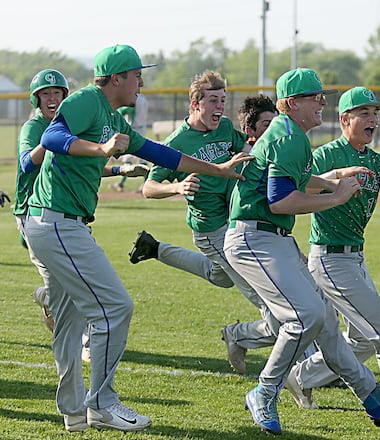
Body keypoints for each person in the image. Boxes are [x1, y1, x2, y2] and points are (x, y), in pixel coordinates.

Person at [23, 44, 250, 433]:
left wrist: (219, 169)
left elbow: (164, 154)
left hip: (58, 223)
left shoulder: (114, 117)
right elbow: (55, 137)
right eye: (136, 75)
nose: (141, 81)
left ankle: (75, 411)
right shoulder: (87, 100)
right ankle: (103, 404)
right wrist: (101, 148)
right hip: (57, 223)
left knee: (68, 322)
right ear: (116, 78)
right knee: (115, 307)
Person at [223, 68, 380, 435]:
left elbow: (294, 180)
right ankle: (265, 392)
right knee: (306, 316)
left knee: (327, 324)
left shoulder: (289, 133)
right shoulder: (287, 135)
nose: (322, 103)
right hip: (255, 239)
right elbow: (280, 200)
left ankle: (373, 399)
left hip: (272, 237)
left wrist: (331, 179)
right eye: (315, 97)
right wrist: (336, 195)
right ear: (291, 103)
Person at [283, 86, 380, 423]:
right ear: (344, 119)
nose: (373, 118)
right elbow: (300, 185)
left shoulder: (377, 161)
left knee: (362, 341)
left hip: (355, 258)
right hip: (329, 259)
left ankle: (302, 376)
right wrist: (334, 181)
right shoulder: (326, 155)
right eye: (364, 113)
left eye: (375, 112)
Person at [128, 73, 280, 376]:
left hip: (235, 221)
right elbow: (148, 188)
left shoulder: (224, 128)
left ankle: (155, 249)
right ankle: (251, 339)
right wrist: (177, 187)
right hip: (212, 230)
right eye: (213, 100)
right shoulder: (177, 142)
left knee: (219, 276)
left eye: (223, 100)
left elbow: (248, 151)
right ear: (195, 103)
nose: (220, 106)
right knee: (265, 294)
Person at [14, 69, 148, 334]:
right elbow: (27, 163)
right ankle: (85, 338)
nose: (52, 98)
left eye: (57, 93)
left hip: (61, 209)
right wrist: (52, 141)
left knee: (65, 286)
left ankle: (56, 309)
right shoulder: (35, 127)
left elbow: (85, 165)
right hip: (34, 211)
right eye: (45, 94)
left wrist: (120, 170)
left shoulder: (74, 123)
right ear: (36, 100)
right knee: (70, 286)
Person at [112, 92, 150, 192]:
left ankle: (121, 183)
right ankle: (146, 184)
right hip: (142, 127)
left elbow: (127, 110)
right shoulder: (144, 98)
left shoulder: (134, 98)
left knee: (127, 157)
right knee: (142, 157)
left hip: (133, 129)